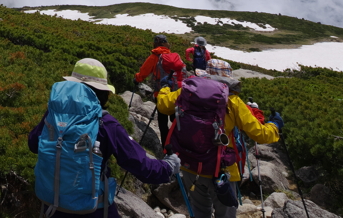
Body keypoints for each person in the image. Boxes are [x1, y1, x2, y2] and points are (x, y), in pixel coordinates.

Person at [29, 58, 179, 218]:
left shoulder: (53, 115)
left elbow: (33, 144)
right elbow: (141, 165)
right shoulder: (106, 123)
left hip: (51, 207)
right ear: (102, 92)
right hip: (92, 210)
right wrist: (168, 167)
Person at [156, 60, 283, 218]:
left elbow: (162, 105)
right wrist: (275, 125)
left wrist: (165, 88)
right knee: (226, 213)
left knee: (200, 210)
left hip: (189, 164)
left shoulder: (187, 92)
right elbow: (261, 134)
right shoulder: (232, 101)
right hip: (220, 170)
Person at [134, 35, 185, 142]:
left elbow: (143, 73)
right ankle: (178, 143)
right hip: (176, 93)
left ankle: (165, 147)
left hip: (161, 93)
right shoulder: (173, 56)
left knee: (162, 122)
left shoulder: (154, 57)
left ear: (156, 43)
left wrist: (137, 79)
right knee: (175, 120)